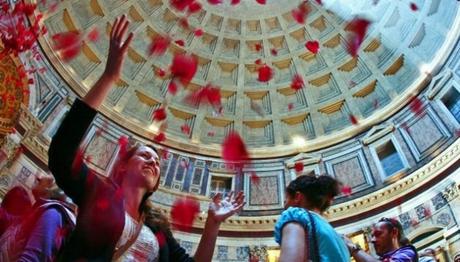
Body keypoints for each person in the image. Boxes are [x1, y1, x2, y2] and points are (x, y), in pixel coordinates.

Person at [48, 15, 245, 262]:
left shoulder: (158, 229)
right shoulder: (98, 193)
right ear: (122, 165)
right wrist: (109, 77)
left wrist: (213, 223)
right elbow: (62, 152)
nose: (154, 162)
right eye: (144, 155)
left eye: (158, 163)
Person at [274, 174, 350, 262]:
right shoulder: (336, 236)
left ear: (298, 197)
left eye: (286, 198)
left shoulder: (296, 216)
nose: (285, 204)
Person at [0, 176, 76, 261]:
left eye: (50, 174)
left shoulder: (52, 214)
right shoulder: (40, 211)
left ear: (55, 186)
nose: (38, 177)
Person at [345, 217, 418, 262]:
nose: (372, 240)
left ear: (394, 232)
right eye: (372, 236)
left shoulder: (408, 253)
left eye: (378, 234)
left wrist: (354, 249)